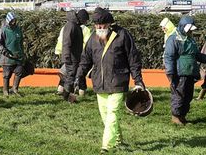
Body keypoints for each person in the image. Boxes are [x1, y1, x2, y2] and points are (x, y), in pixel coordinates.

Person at [76, 8, 144, 153]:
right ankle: (118, 140)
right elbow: (85, 60)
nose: (99, 28)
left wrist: (138, 81)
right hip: (99, 83)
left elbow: (133, 59)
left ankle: (106, 146)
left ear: (110, 23)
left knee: (112, 113)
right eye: (96, 25)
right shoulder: (92, 39)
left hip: (118, 82)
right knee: (107, 117)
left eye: (102, 25)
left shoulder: (123, 35)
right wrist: (78, 76)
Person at [164, 15, 206, 125]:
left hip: (190, 72)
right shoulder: (173, 39)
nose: (191, 31)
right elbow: (169, 56)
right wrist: (170, 73)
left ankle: (182, 116)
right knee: (179, 94)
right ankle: (175, 117)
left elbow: (196, 54)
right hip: (179, 72)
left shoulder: (190, 39)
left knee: (188, 95)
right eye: (189, 29)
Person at [54, 9, 92, 96]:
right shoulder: (71, 26)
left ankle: (67, 95)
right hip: (71, 57)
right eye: (85, 20)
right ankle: (67, 96)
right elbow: (67, 42)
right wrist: (66, 57)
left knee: (71, 76)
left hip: (74, 56)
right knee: (70, 77)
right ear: (81, 18)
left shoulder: (75, 26)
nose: (86, 22)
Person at [0, 12, 25, 96]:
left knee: (19, 72)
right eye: (12, 20)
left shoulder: (18, 29)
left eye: (15, 20)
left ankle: (15, 89)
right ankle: (6, 91)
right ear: (8, 21)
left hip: (18, 56)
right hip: (7, 58)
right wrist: (6, 52)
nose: (14, 22)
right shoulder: (2, 30)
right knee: (6, 75)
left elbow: (21, 42)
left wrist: (22, 53)